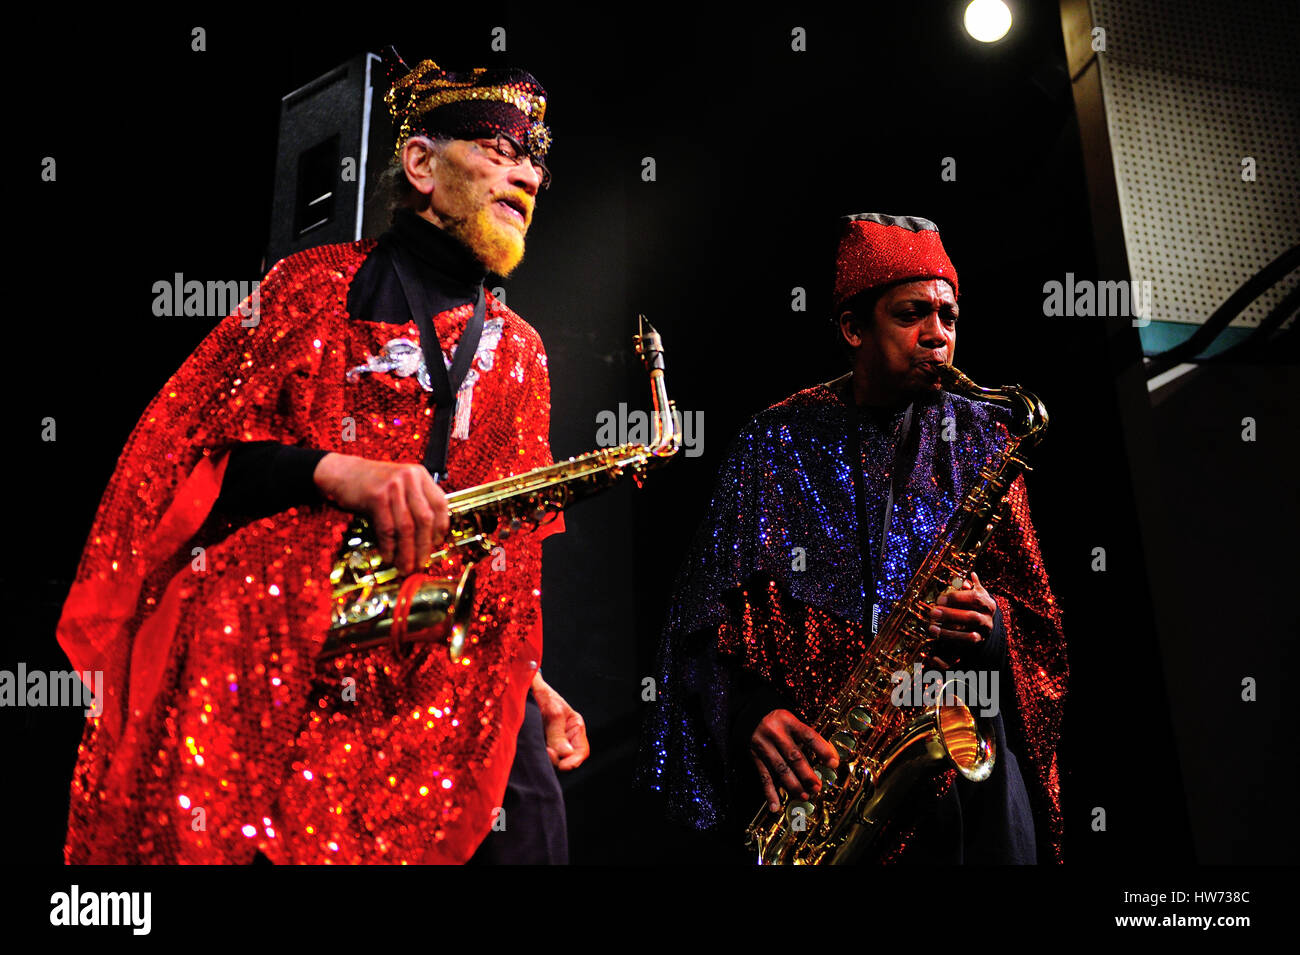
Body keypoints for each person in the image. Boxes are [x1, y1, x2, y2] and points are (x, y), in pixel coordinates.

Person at [58, 51, 587, 864]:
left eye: (535, 162)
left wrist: (535, 681)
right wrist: (338, 471)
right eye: (499, 148)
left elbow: (507, 562)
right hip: (294, 640)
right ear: (419, 162)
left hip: (441, 657)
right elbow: (183, 461)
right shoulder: (312, 287)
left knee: (529, 816)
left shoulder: (522, 352)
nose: (526, 177)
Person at [640, 213, 1068, 863]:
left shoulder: (987, 440)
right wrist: (749, 712)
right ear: (852, 327)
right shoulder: (774, 440)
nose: (938, 337)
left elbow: (1045, 632)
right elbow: (702, 618)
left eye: (949, 316)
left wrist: (997, 626)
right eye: (912, 314)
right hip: (826, 792)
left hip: (968, 790)